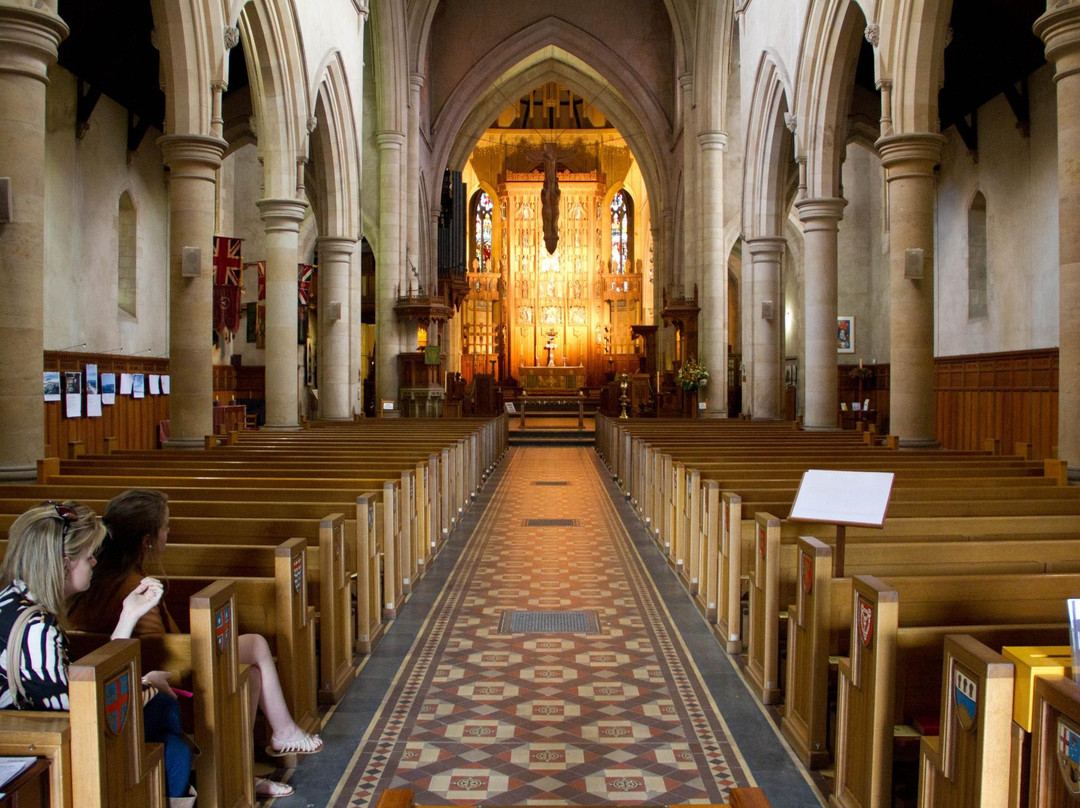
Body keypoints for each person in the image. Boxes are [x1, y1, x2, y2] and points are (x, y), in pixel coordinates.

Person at [69, 489, 323, 799]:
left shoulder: (94, 577)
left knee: (250, 673)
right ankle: (281, 734)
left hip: (132, 683)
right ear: (147, 539)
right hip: (159, 692)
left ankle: (244, 774)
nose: (169, 531)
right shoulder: (135, 586)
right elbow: (155, 654)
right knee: (255, 645)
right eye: (166, 526)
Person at [0, 502, 195, 807]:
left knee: (164, 713)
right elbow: (78, 713)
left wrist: (128, 616)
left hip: (38, 729)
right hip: (38, 748)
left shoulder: (11, 598)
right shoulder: (37, 629)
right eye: (88, 555)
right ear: (65, 564)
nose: (94, 561)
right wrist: (146, 685)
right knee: (173, 746)